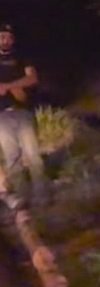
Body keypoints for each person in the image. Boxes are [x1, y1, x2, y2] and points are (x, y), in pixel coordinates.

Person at [0, 23, 48, 206]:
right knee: (12, 158)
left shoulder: (22, 57)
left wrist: (9, 86)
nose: (4, 39)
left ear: (13, 39)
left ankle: (42, 196)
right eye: (1, 36)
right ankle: (22, 198)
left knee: (33, 155)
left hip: (23, 111)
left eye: (8, 36)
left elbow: (32, 78)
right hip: (1, 116)